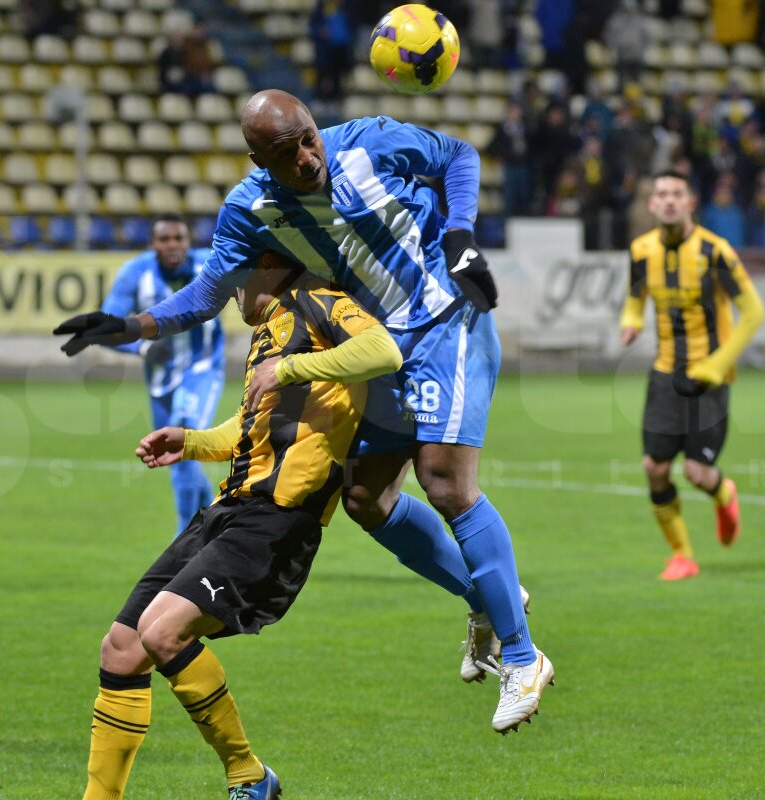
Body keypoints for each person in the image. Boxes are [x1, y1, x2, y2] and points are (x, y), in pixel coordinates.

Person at [56, 90, 552, 734]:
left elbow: (458, 155)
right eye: (288, 154)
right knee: (366, 498)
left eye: (310, 139)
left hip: (442, 319)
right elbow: (209, 293)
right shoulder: (251, 207)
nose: (309, 158)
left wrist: (459, 235)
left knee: (444, 480)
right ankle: (489, 597)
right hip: (381, 345)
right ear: (260, 158)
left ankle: (521, 657)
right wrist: (130, 325)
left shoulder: (369, 141)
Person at [75, 252, 403, 799]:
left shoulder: (320, 303)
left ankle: (248, 776)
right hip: (229, 511)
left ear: (270, 265)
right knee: (121, 648)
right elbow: (252, 427)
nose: (229, 293)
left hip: (278, 521)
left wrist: (294, 367)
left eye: (235, 280)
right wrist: (193, 441)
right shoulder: (269, 332)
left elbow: (383, 349)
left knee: (161, 632)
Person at [619, 170, 765, 581]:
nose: (668, 201)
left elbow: (754, 312)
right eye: (661, 194)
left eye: (676, 194)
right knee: (655, 467)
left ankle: (723, 491)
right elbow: (635, 299)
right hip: (665, 373)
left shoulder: (715, 252)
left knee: (698, 473)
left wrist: (719, 365)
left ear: (690, 202)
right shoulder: (641, 250)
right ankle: (682, 555)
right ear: (651, 204)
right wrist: (630, 322)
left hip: (708, 377)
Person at [100, 215, 225, 536]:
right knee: (177, 455)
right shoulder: (136, 273)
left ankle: (183, 540)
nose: (172, 245)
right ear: (153, 244)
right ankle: (208, 523)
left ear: (189, 241)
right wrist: (141, 350)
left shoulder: (210, 265)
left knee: (182, 434)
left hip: (202, 369)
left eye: (179, 238)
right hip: (159, 378)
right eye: (165, 239)